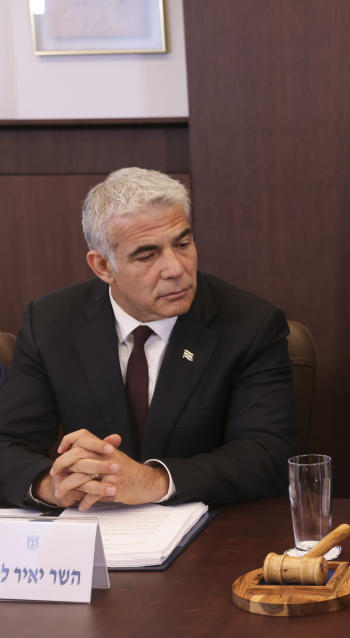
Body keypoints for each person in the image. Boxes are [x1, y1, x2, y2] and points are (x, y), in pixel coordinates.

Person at [0, 168, 297, 510]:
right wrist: (51, 486)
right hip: (93, 531)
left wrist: (154, 481)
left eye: (183, 244)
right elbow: (7, 444)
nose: (175, 268)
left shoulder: (250, 324)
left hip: (211, 540)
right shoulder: (51, 322)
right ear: (103, 267)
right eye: (147, 255)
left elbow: (268, 456)